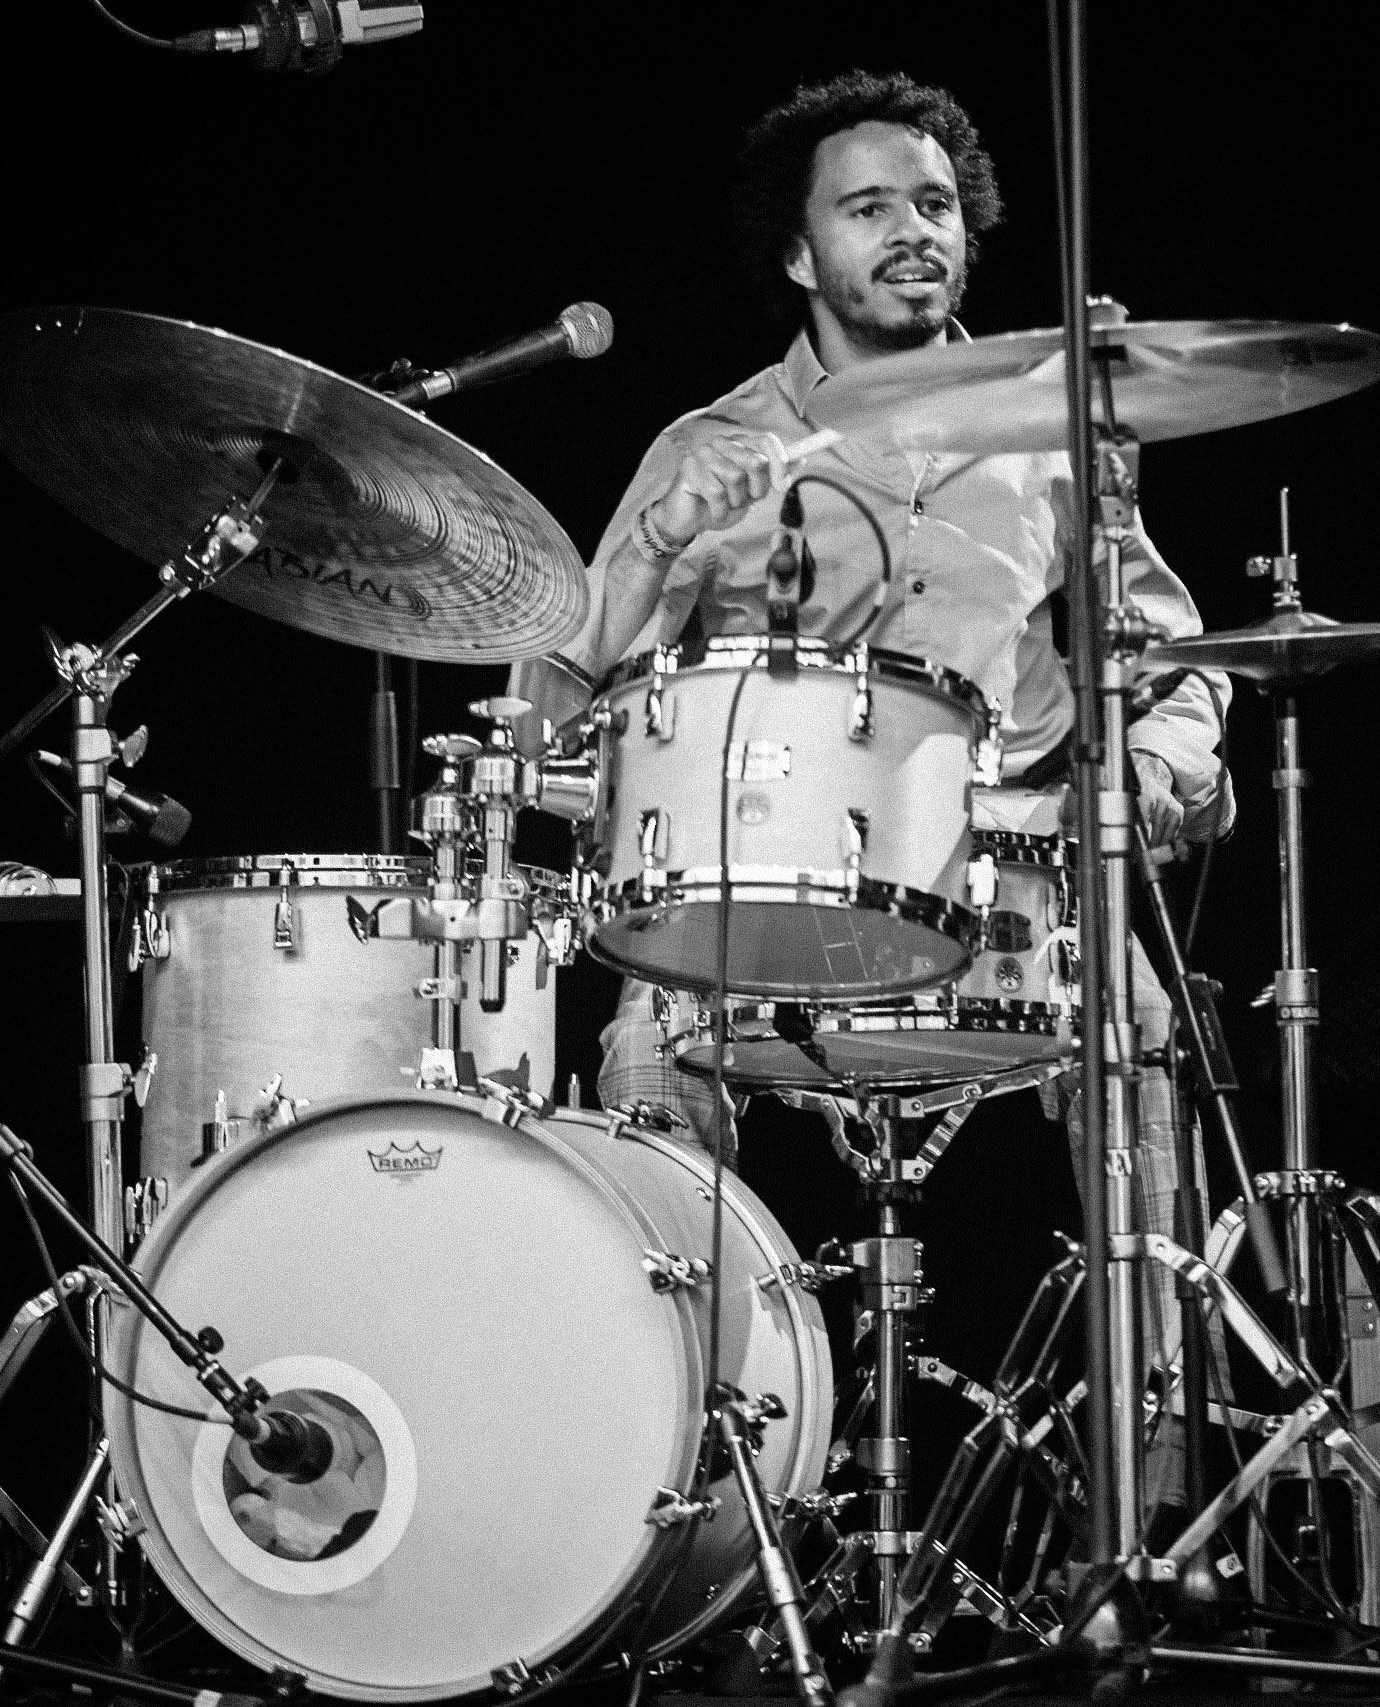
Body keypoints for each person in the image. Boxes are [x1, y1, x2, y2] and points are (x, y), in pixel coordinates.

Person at [514, 69, 1232, 1509]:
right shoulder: (709, 448)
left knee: (1147, 1060)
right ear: (799, 253)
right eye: (870, 209)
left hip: (1014, 879)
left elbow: (1180, 667)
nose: (915, 232)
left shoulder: (1061, 431)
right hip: (754, 901)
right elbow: (546, 728)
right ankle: (692, 1524)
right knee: (647, 1065)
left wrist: (1160, 768)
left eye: (937, 205)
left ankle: (1154, 1524)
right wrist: (653, 555)